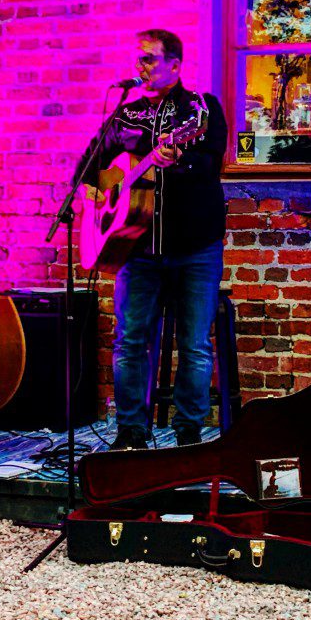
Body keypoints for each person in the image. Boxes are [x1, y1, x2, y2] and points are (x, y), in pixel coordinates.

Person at [76, 29, 227, 450]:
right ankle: (131, 433)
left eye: (149, 59)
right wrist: (90, 192)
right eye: (138, 59)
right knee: (130, 341)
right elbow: (89, 163)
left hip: (195, 247)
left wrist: (177, 160)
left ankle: (188, 434)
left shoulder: (200, 109)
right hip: (137, 248)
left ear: (175, 65)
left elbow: (211, 162)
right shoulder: (125, 114)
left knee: (194, 345)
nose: (140, 67)